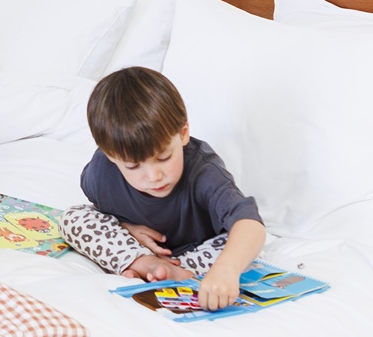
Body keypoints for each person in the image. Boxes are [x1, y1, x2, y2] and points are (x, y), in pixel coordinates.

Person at [60, 67, 265, 310]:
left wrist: (226, 270)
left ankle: (173, 271)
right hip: (139, 246)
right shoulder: (101, 173)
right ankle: (145, 263)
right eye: (133, 166)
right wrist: (126, 227)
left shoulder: (205, 173)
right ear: (110, 156)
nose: (153, 177)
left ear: (183, 134)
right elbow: (100, 213)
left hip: (198, 249)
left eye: (164, 158)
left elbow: (251, 223)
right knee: (73, 218)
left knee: (240, 246)